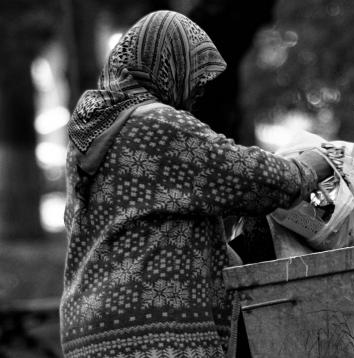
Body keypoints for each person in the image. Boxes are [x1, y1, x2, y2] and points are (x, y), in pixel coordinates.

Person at [61, 10, 331, 358]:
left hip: (90, 326)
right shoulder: (156, 123)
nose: (197, 94)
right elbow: (247, 175)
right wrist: (311, 166)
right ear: (167, 65)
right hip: (157, 331)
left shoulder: (93, 129)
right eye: (194, 78)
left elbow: (147, 211)